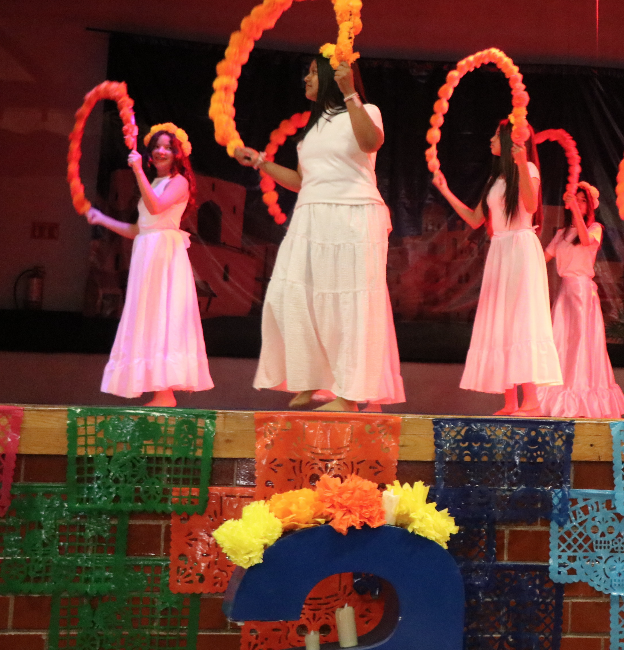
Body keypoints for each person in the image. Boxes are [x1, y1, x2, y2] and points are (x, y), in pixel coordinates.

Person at [233, 54, 404, 412]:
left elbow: (371, 142)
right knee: (289, 295)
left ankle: (349, 395)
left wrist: (350, 92)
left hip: (352, 215)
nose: (306, 78)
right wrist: (261, 162)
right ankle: (310, 377)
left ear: (330, 76)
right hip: (310, 217)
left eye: (313, 72)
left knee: (349, 304)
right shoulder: (312, 129)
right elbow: (301, 180)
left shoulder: (365, 111)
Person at [432, 119, 562, 416]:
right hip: (500, 250)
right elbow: (475, 219)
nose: (491, 139)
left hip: (520, 249)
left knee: (522, 319)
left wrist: (522, 162)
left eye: (495, 135)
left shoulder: (528, 170)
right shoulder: (495, 179)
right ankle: (510, 401)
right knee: (502, 321)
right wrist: (445, 190)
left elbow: (530, 206)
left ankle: (532, 401)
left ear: (509, 141)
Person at [85, 127, 213, 406]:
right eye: (156, 146)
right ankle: (159, 391)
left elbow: (156, 208)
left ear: (177, 153)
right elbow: (139, 229)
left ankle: (165, 393)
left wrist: (137, 171)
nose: (161, 151)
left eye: (167, 147)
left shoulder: (179, 182)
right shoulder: (153, 183)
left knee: (162, 313)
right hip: (147, 251)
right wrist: (102, 219)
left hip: (164, 253)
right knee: (147, 315)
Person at [538, 182, 624, 418]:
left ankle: (581, 400)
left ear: (590, 207)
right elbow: (543, 258)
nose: (578, 204)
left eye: (583, 201)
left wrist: (578, 215)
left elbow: (586, 241)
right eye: (576, 200)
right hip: (565, 292)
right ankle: (557, 397)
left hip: (581, 292)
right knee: (561, 342)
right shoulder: (561, 233)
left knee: (581, 343)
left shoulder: (594, 228)